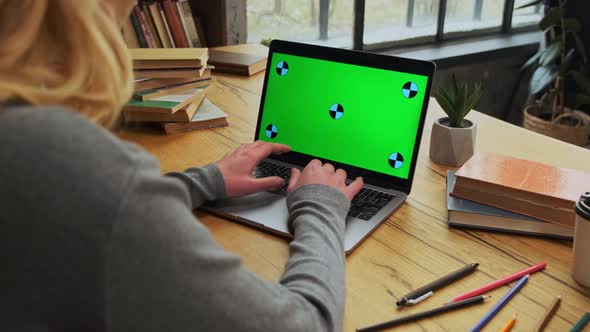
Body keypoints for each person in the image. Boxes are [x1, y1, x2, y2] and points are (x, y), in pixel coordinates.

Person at [0, 1, 364, 331]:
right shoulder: (64, 156)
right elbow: (306, 325)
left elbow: (84, 209)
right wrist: (320, 207)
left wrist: (201, 182)